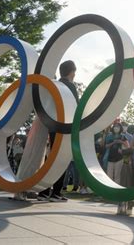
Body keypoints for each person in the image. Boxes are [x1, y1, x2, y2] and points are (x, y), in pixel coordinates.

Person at [38, 60, 79, 202]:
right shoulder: (71, 87)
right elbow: (76, 108)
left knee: (51, 158)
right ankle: (55, 192)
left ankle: (43, 191)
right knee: (61, 160)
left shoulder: (55, 85)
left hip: (52, 125)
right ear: (72, 72)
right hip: (65, 127)